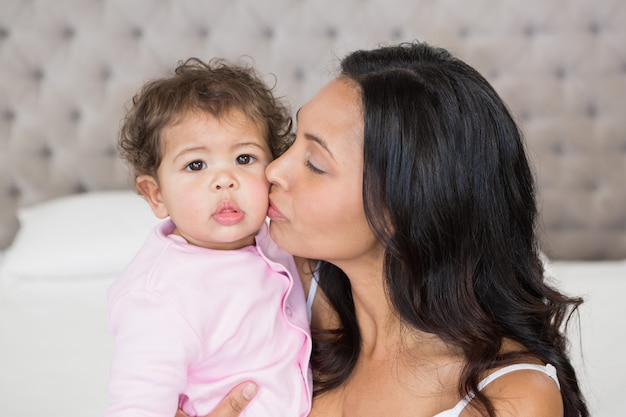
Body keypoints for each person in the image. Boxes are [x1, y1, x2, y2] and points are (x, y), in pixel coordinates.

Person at [187, 41, 590, 417]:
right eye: (293, 140)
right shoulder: (283, 288)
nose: (274, 169)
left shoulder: (507, 399)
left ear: (405, 206)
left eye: (315, 163)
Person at [105, 57, 312, 417]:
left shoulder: (281, 239)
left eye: (245, 158)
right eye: (196, 165)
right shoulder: (158, 299)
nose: (224, 179)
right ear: (156, 194)